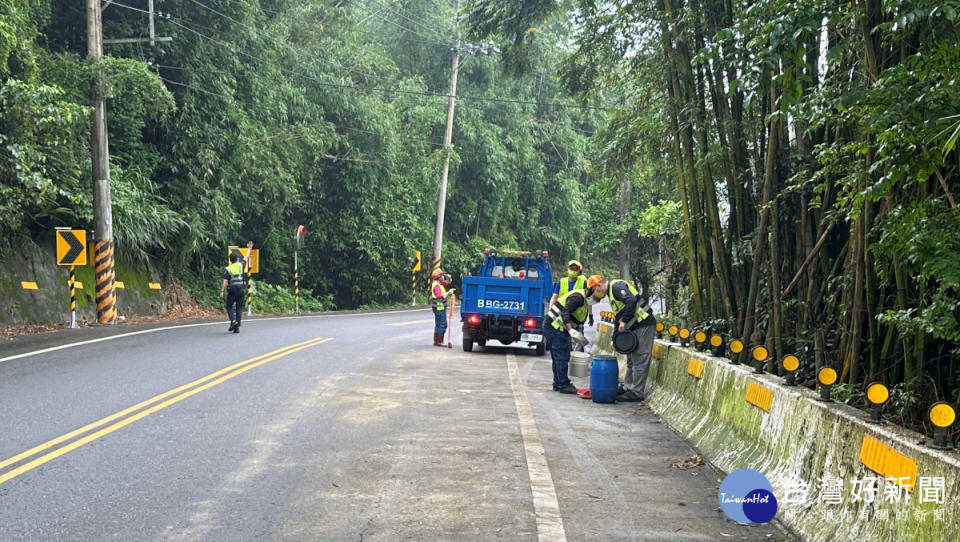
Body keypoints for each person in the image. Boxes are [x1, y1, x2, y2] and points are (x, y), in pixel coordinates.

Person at [588, 276, 657, 402]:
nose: (596, 294)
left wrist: (624, 321)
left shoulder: (616, 286)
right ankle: (628, 387)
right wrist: (614, 338)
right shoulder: (611, 295)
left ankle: (637, 392)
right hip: (633, 326)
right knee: (630, 359)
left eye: (595, 290)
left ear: (598, 286)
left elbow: (630, 301)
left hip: (644, 323)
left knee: (640, 358)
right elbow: (618, 317)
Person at [544, 278, 595, 393]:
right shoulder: (578, 298)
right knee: (561, 355)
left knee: (557, 356)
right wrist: (570, 329)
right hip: (555, 327)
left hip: (555, 327)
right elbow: (565, 311)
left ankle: (558, 382)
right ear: (592, 289)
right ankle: (563, 384)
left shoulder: (585, 298)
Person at [548, 260, 593, 350]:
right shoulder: (562, 282)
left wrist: (590, 315)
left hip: (576, 318)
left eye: (575, 269)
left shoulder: (583, 282)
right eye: (571, 268)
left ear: (579, 271)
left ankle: (577, 358)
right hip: (564, 315)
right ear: (567, 269)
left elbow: (589, 299)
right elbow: (554, 297)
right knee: (564, 339)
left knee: (578, 342)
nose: (573, 271)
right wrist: (550, 311)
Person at [220, 252, 246, 333]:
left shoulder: (229, 268)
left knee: (229, 306)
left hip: (232, 289)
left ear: (230, 260)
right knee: (239, 307)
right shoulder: (240, 265)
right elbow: (246, 258)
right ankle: (237, 326)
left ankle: (234, 321)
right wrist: (249, 248)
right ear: (237, 259)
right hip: (241, 289)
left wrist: (221, 291)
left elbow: (225, 280)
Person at [430, 268, 455, 346]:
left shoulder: (439, 283)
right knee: (443, 324)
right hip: (439, 307)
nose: (443, 277)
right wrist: (449, 293)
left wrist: (448, 277)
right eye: (442, 276)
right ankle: (439, 341)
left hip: (438, 307)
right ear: (438, 277)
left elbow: (448, 282)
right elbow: (439, 296)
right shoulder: (437, 286)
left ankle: (436, 341)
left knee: (438, 324)